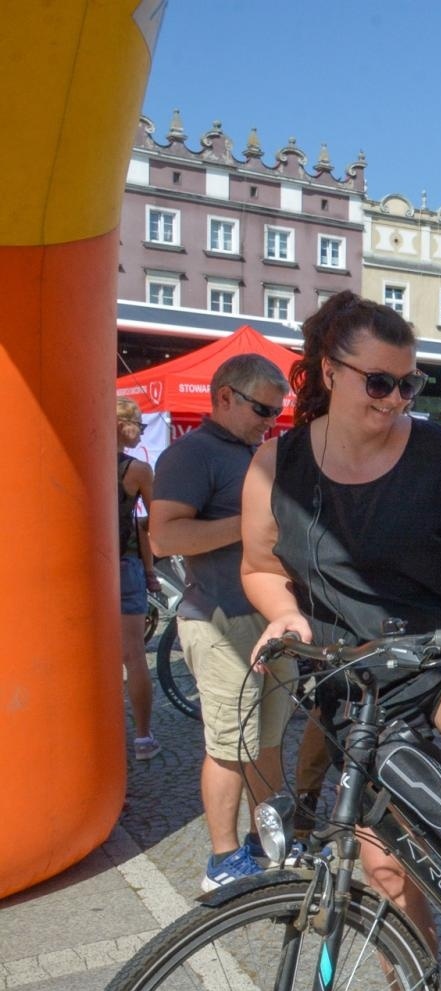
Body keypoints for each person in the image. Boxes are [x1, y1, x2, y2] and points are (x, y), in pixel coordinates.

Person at [239, 290, 441, 948]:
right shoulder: (277, 465)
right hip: (354, 675)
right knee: (385, 868)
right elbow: (259, 566)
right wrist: (283, 615)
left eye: (408, 383)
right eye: (381, 383)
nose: (396, 401)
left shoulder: (438, 452)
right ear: (331, 372)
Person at [149, 354, 298, 889]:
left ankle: (267, 836)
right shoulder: (192, 453)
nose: (270, 420)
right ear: (226, 396)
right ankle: (223, 859)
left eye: (277, 412)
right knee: (230, 746)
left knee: (270, 739)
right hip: (220, 621)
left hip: (270, 621)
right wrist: (252, 522)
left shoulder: (253, 453)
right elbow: (165, 538)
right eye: (263, 408)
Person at [116, 397, 160, 761]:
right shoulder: (138, 470)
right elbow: (156, 520)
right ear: (123, 425)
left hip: (86, 570)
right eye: (139, 426)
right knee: (134, 657)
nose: (142, 432)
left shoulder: (86, 460)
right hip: (123, 565)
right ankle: (143, 737)